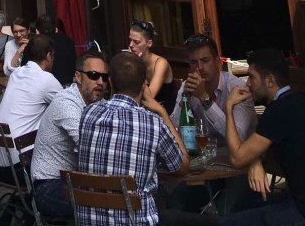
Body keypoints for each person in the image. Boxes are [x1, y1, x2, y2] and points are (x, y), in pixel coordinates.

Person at [221, 49, 305, 226]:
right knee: (242, 205)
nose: (248, 84)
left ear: (269, 80)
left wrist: (228, 107)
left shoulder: (278, 111)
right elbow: (260, 145)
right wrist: (255, 161)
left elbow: (237, 158)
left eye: (252, 77)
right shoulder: (302, 100)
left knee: (226, 223)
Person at [78, 51, 189, 226]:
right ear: (144, 85)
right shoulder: (153, 123)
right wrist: (162, 113)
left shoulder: (88, 113)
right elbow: (181, 166)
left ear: (110, 82)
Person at [168, 33, 257, 215]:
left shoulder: (236, 89)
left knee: (225, 212)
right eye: (194, 63)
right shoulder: (188, 88)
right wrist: (185, 99)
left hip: (241, 165)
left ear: (218, 62)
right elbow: (174, 131)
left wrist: (205, 99)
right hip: (208, 164)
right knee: (176, 203)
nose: (199, 68)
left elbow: (239, 139)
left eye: (205, 60)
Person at [31, 49, 109, 220]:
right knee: (107, 203)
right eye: (93, 75)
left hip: (77, 180)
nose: (100, 82)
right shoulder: (66, 103)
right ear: (78, 77)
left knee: (114, 199)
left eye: (104, 77)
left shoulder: (99, 102)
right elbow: (90, 147)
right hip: (48, 186)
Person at [0, 33, 62, 185]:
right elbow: (69, 108)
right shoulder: (46, 79)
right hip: (20, 169)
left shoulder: (17, 73)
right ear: (49, 55)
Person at [128, 20, 174, 112]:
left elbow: (149, 99)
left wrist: (137, 65)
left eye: (136, 42)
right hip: (142, 112)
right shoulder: (132, 62)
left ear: (149, 43)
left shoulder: (161, 63)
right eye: (130, 40)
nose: (131, 45)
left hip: (164, 114)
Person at [36, 13, 77, 86]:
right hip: (68, 85)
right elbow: (74, 65)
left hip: (44, 86)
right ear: (55, 27)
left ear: (37, 30)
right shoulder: (67, 40)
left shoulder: (36, 44)